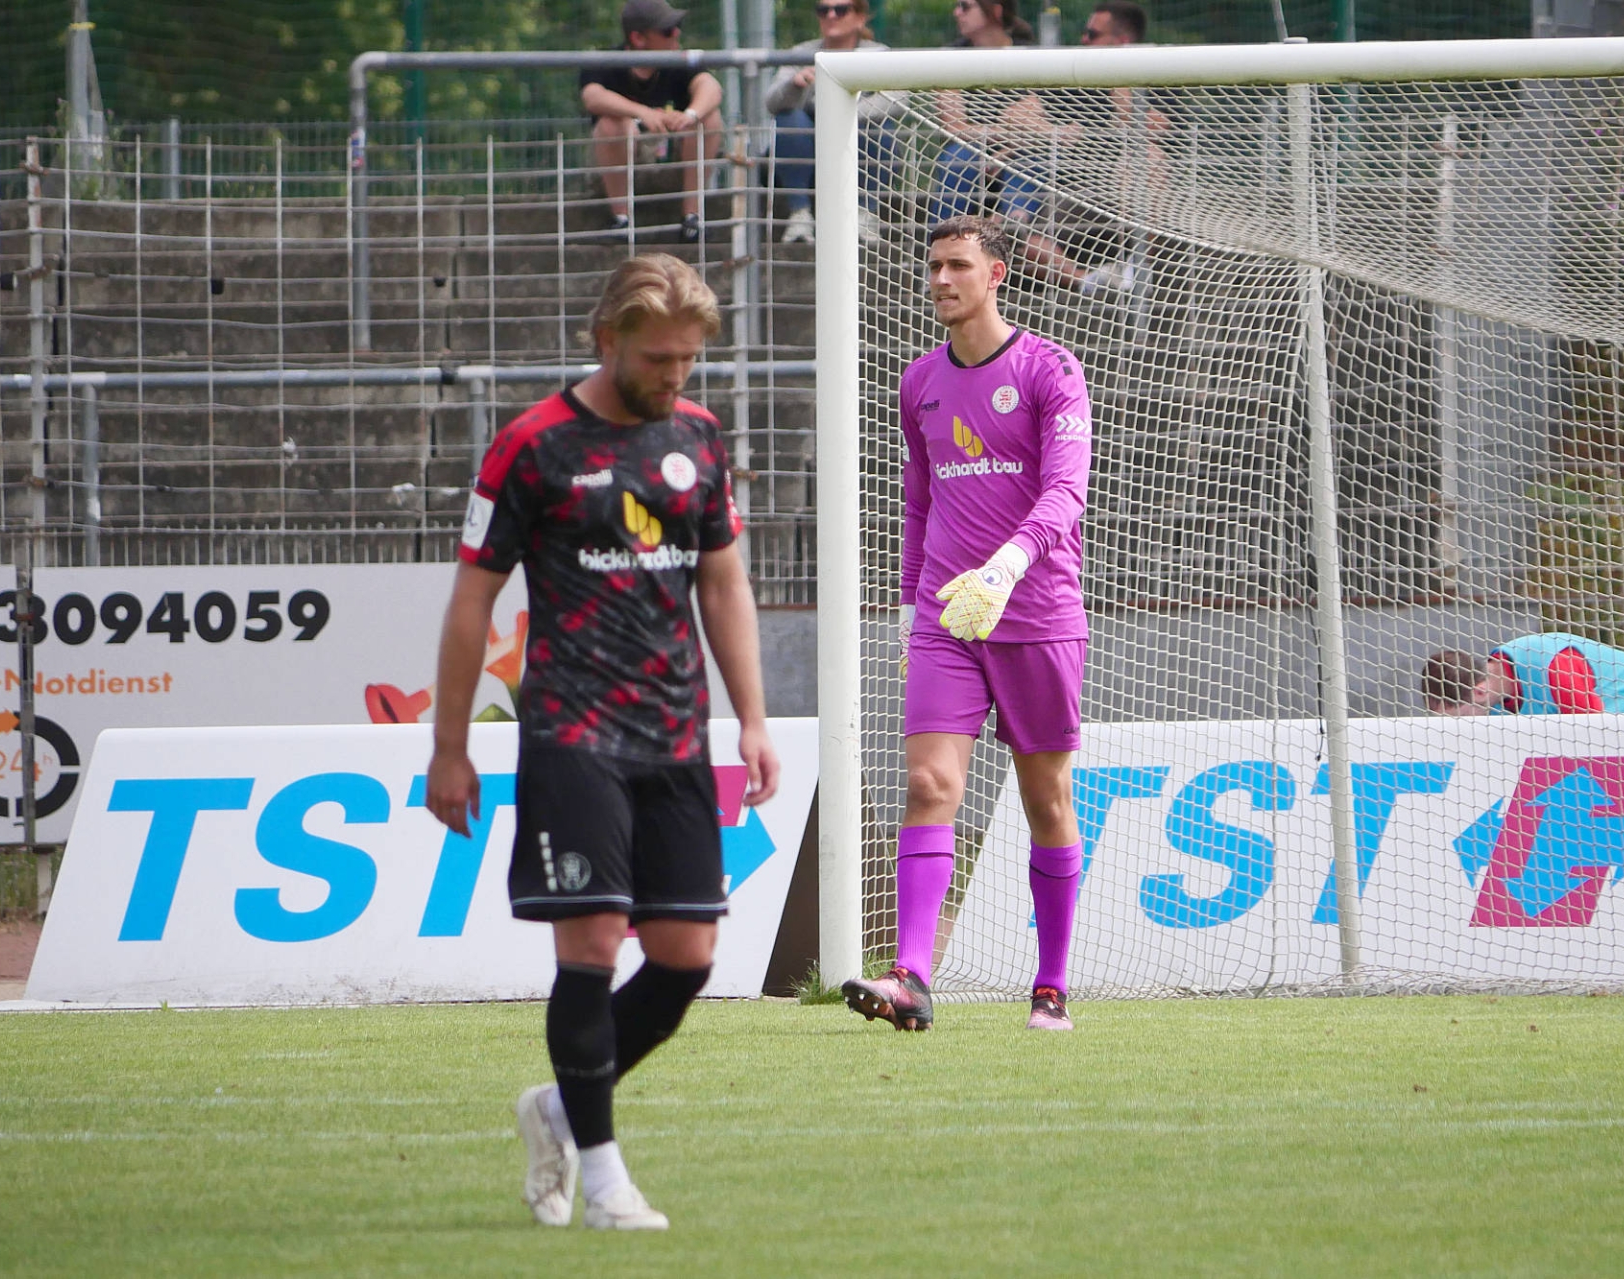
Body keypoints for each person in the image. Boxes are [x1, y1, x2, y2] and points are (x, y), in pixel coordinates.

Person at [425, 253, 780, 1230]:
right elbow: (471, 601)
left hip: (675, 732)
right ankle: (605, 1177)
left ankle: (558, 1107)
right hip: (572, 730)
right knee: (588, 946)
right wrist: (449, 747)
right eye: (659, 358)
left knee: (686, 956)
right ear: (607, 338)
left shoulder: (698, 436)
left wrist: (751, 717)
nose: (675, 375)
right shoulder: (531, 445)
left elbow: (723, 584)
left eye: (688, 359)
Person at [841, 215, 1092, 1033]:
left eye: (957, 265)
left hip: (1035, 610)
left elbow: (1066, 491)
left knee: (1046, 798)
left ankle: (1050, 985)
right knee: (928, 784)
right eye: (934, 267)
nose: (942, 280)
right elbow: (919, 501)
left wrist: (1006, 566)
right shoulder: (918, 380)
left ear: (996, 275)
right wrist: (910, 605)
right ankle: (911, 975)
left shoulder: (1050, 368)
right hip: (947, 617)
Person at [930, 0, 1130, 294]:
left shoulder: (1028, 55)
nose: (956, 12)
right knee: (959, 156)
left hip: (1023, 156)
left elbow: (1041, 124)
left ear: (995, 10)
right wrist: (1008, 136)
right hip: (976, 156)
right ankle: (942, 247)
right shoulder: (949, 58)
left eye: (965, 6)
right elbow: (957, 129)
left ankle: (1014, 222)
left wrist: (1011, 144)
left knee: (1029, 156)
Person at [580, 0, 726, 244]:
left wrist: (689, 115)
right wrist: (643, 113)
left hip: (672, 167)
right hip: (620, 170)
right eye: (667, 30)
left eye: (677, 27)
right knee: (611, 124)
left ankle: (692, 219)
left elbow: (711, 87)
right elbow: (592, 96)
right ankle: (621, 221)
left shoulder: (680, 61)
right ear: (638, 38)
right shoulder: (606, 61)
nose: (676, 34)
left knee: (708, 118)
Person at [764, 0, 895, 245]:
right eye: (823, 10)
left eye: (841, 9)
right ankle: (800, 214)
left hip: (859, 146)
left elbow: (897, 100)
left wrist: (841, 114)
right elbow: (771, 102)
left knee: (882, 130)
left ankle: (864, 214)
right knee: (789, 119)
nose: (831, 15)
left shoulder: (878, 54)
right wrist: (794, 84)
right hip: (809, 153)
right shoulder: (801, 53)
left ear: (860, 17)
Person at [1421, 633, 1624, 716]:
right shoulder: (1494, 705)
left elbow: (1600, 737)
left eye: (1459, 717)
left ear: (1479, 692)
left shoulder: (1555, 669)